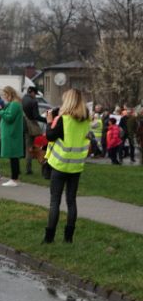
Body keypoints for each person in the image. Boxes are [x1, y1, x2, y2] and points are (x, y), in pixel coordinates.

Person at [44, 89, 91, 243]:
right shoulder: (86, 119)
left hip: (60, 164)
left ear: (68, 102)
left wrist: (50, 121)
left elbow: (50, 136)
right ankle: (68, 238)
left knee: (55, 201)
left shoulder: (64, 119)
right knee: (71, 201)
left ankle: (49, 237)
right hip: (76, 166)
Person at [0, 86, 25, 187]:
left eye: (5, 95)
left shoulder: (14, 104)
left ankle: (14, 179)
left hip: (12, 134)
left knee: (13, 157)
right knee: (13, 157)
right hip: (12, 134)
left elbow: (9, 118)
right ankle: (14, 178)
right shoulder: (14, 104)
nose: (4, 97)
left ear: (9, 94)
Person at [22, 86, 45, 174]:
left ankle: (28, 167)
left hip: (25, 125)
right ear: (33, 93)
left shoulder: (24, 99)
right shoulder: (33, 101)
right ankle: (29, 169)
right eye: (35, 94)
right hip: (31, 125)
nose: (35, 96)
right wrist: (46, 120)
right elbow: (36, 116)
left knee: (28, 146)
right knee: (31, 147)